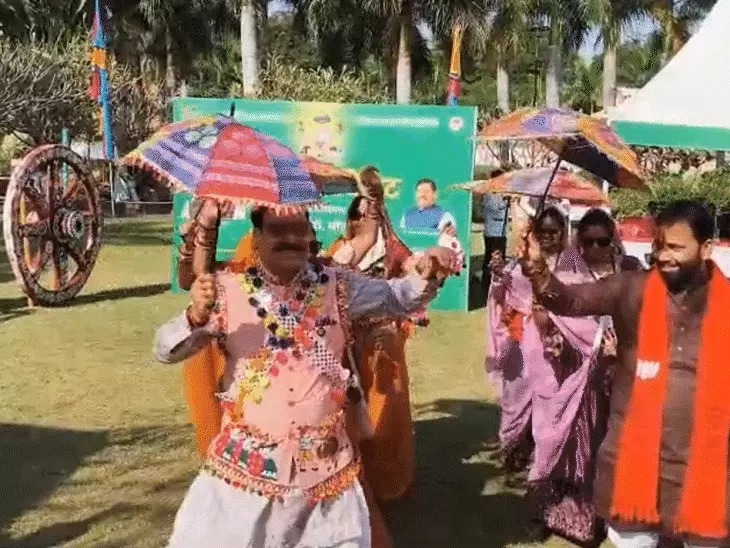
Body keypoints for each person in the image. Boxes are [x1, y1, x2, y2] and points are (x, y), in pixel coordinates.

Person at [154, 205, 457, 547]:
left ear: (310, 236)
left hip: (326, 475)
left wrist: (428, 271)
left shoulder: (339, 287)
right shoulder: (226, 291)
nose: (291, 239)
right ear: (257, 237)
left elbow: (397, 298)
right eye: (277, 231)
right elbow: (165, 350)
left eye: (299, 230)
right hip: (247, 478)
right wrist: (195, 316)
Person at [520, 200, 730, 548]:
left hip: (705, 472)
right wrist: (538, 269)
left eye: (676, 247)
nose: (663, 256)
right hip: (633, 467)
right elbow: (569, 300)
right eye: (659, 246)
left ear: (706, 248)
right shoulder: (631, 289)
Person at [325, 167, 417, 506]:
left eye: (370, 213)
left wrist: (426, 270)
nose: (364, 220)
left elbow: (411, 279)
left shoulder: (393, 249)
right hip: (343, 348)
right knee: (348, 411)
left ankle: (385, 477)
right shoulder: (336, 255)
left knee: (386, 408)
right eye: (360, 214)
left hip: (383, 343)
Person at [482, 170, 509, 289]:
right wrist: (505, 202)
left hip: (501, 232)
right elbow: (495, 209)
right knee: (492, 258)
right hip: (493, 233)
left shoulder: (500, 194)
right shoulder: (490, 194)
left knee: (500, 258)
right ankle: (487, 283)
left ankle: (497, 282)